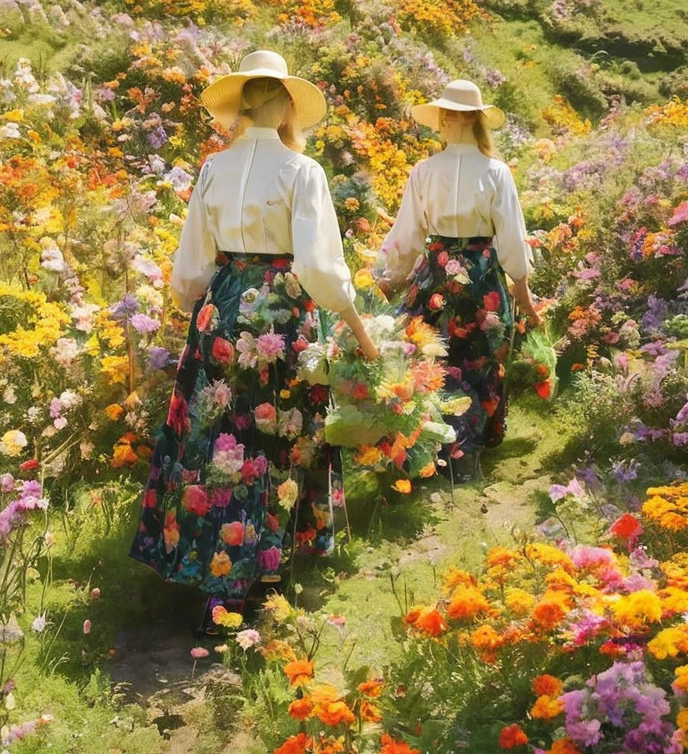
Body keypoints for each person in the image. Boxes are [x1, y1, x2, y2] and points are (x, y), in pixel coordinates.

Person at [129, 50, 379, 634]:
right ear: (289, 104)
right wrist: (359, 331)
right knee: (280, 435)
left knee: (221, 439)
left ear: (243, 104)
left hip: (222, 306)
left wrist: (198, 313)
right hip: (283, 311)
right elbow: (319, 268)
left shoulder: (214, 168)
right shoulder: (301, 170)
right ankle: (265, 569)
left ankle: (221, 577)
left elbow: (190, 265)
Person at [374, 79, 541, 484]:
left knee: (432, 361)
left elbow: (406, 238)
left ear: (449, 117)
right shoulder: (496, 173)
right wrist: (526, 301)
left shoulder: (425, 171)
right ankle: (468, 453)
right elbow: (512, 245)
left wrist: (381, 286)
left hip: (435, 274)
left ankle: (430, 452)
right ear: (478, 119)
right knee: (480, 362)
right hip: (482, 278)